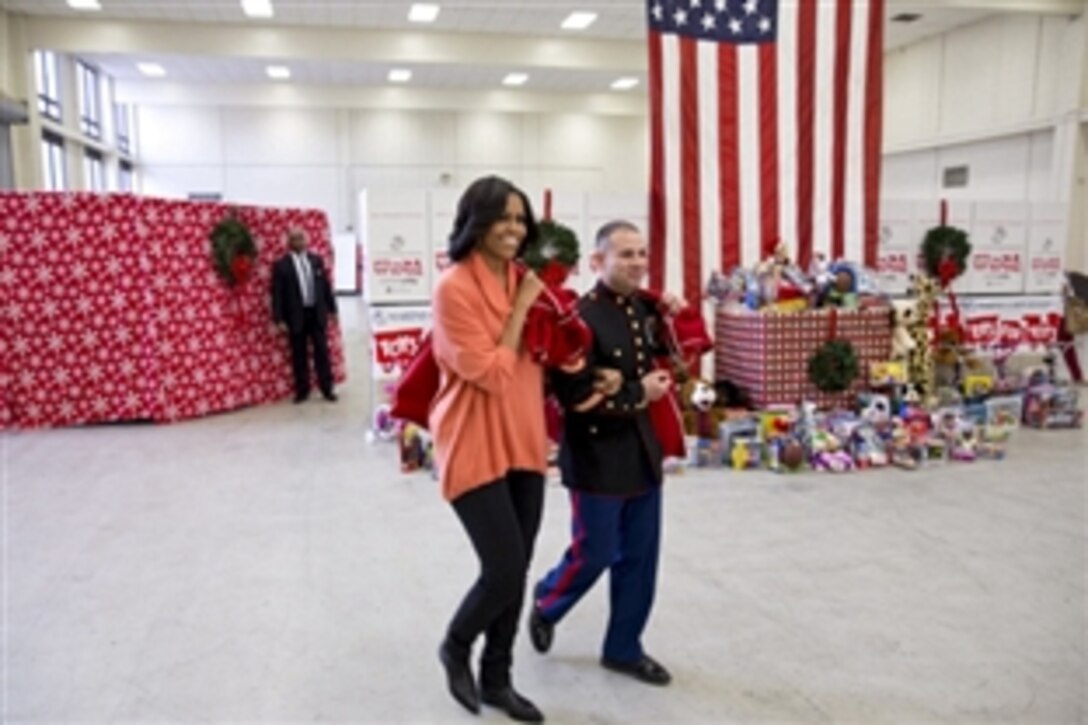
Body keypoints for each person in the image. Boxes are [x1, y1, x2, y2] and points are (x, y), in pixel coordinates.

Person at [528, 220, 677, 687]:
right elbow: (574, 396)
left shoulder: (643, 309)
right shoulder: (581, 319)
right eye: (625, 254)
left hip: (641, 452)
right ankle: (548, 601)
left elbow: (663, 356)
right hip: (596, 455)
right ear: (597, 262)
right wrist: (639, 393)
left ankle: (623, 649)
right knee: (594, 553)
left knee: (640, 558)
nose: (636, 263)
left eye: (641, 253)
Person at [430, 176, 550, 722]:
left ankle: (497, 679)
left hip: (523, 438)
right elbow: (488, 372)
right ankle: (456, 644)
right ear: (476, 222)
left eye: (521, 219)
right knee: (502, 568)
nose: (514, 228)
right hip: (474, 440)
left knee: (519, 568)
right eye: (504, 217)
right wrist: (522, 309)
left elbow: (547, 353)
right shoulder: (454, 287)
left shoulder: (522, 277)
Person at [271, 229, 338, 403]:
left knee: (322, 352)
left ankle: (327, 388)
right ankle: (302, 391)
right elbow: (277, 294)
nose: (298, 242)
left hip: (316, 313)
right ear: (289, 242)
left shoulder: (316, 260)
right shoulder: (282, 265)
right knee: (299, 355)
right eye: (294, 239)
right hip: (296, 316)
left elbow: (325, 287)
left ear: (306, 240)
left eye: (301, 238)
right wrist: (279, 319)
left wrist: (333, 310)